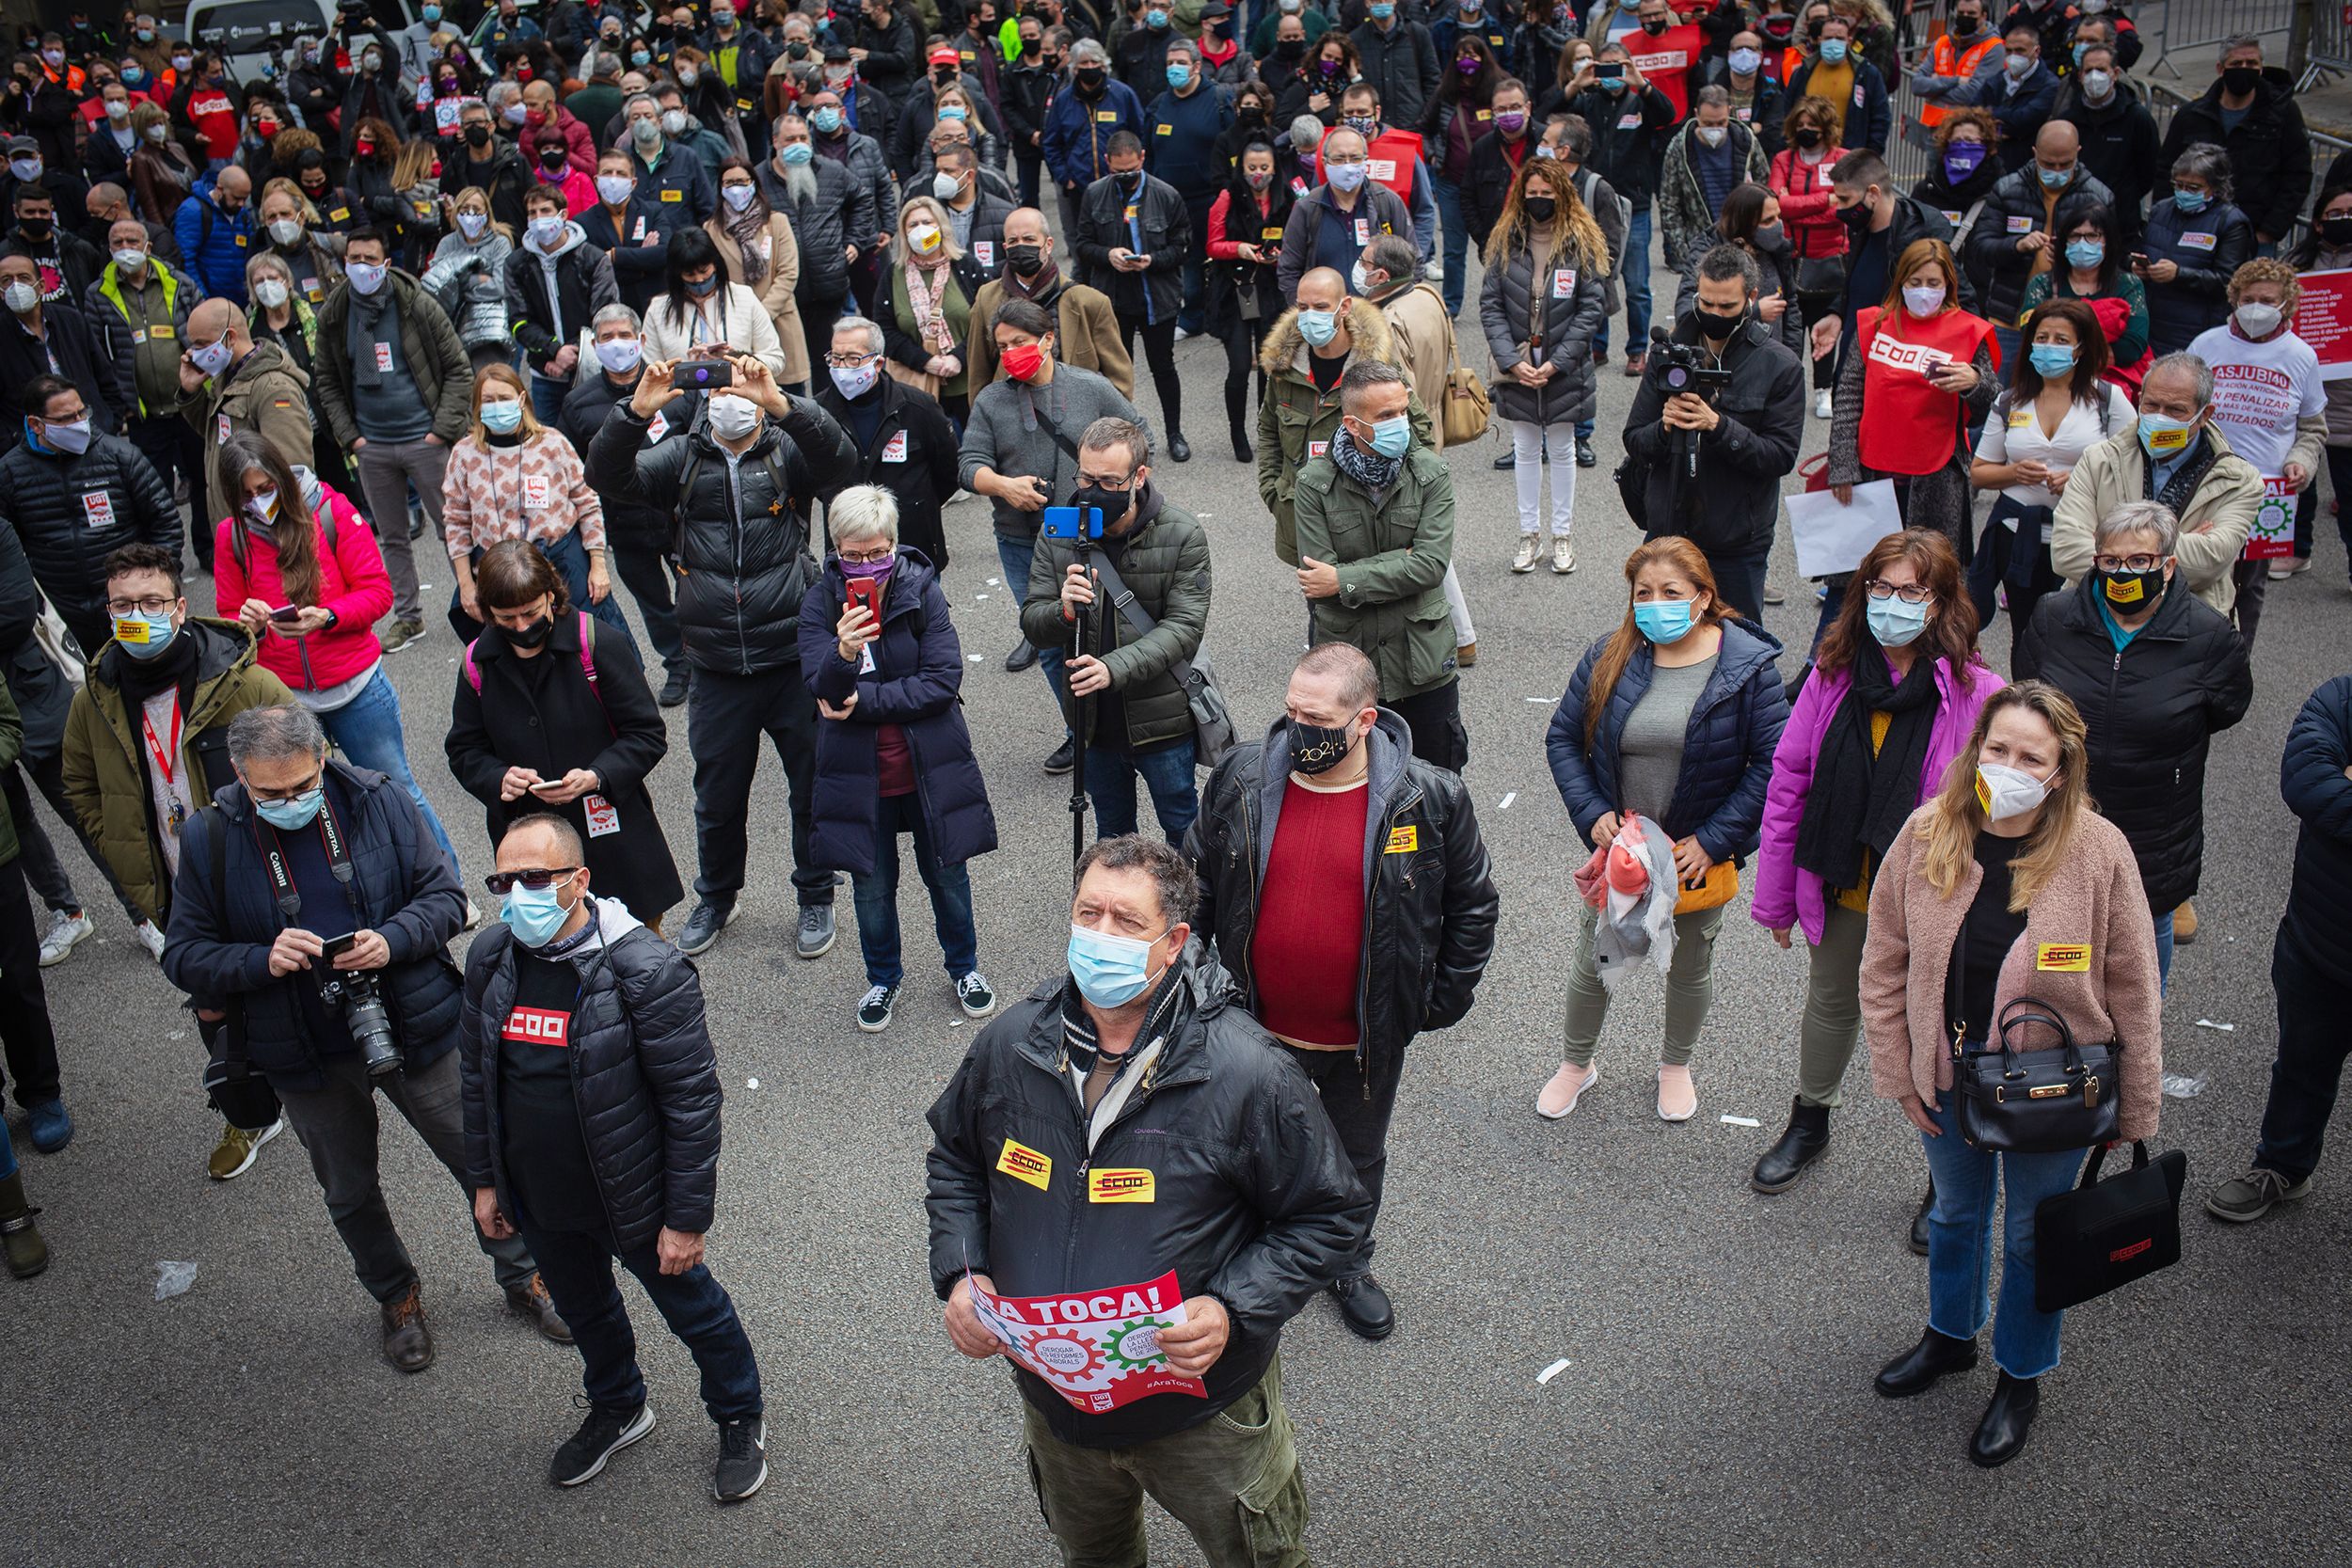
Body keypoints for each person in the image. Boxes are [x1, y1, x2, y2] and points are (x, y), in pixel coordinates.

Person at [925, 833, 1371, 1568]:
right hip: (1057, 1403)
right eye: (1087, 912)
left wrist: (1231, 1306)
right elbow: (956, 1161)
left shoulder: (1247, 1073)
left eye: (1126, 922)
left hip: (1202, 1409)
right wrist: (961, 1273)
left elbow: (1331, 1213)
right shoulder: (1009, 1046)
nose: (1100, 935)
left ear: (1174, 943)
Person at [159, 703, 569, 1370]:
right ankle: (396, 1295)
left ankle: (526, 1274)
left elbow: (444, 897)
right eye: (271, 793)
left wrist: (391, 940)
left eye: (302, 786)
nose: (290, 802)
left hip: (413, 1018)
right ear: (238, 774)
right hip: (302, 1048)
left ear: (323, 757)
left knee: (480, 1158)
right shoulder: (209, 836)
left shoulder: (377, 799)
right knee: (349, 1188)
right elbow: (183, 954)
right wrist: (260, 958)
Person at [1859, 680, 2161, 1469]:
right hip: (1949, 1076)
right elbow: (1884, 957)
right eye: (1998, 748)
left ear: (2061, 771)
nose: (2011, 765)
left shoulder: (2099, 851)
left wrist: (2139, 1108)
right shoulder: (1930, 832)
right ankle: (1951, 1336)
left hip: (2055, 1091)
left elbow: (2133, 982)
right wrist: (1898, 1070)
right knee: (1957, 1216)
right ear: (1976, 749)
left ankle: (2021, 1374)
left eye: (2033, 755)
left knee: (2033, 1234)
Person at [1184, 641, 1495, 1339]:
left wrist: (1438, 1000)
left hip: (1364, 1036)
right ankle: (1253, 1253)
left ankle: (1347, 1261)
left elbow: (1474, 904)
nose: (1299, 729)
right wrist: (1200, 977)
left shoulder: (1431, 796)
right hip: (1254, 1028)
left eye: (1317, 717)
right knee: (1250, 1146)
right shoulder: (1239, 776)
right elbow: (1193, 883)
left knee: (1355, 1158)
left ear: (1364, 720)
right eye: (1291, 710)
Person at [457, 812, 762, 1499]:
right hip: (540, 1194)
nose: (517, 893)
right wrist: (486, 1181)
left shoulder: (645, 969)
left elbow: (692, 1101)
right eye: (504, 879)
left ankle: (740, 1413)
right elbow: (476, 1077)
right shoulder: (492, 955)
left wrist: (685, 1219)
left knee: (694, 1311)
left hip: (634, 1195)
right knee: (586, 1310)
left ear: (579, 879)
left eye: (536, 877)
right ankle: (619, 1404)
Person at [1750, 527, 1999, 1205]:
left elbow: (1993, 812)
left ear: (1942, 601)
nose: (1892, 602)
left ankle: (1945, 1176)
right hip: (1845, 878)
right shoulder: (1831, 674)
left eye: (1911, 590)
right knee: (1831, 1002)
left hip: (1934, 893)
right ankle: (1810, 1122)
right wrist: (1774, 896)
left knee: (1940, 1020)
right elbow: (1789, 783)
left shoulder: (1980, 692)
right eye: (1880, 588)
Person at [585, 351, 856, 961]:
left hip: (792, 655)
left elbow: (842, 459)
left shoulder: (786, 448)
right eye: (719, 384)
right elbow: (606, 477)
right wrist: (636, 409)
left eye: (741, 379)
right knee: (718, 795)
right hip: (713, 663)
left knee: (811, 786)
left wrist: (782, 401)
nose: (730, 395)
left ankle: (816, 892)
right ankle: (717, 895)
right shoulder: (683, 454)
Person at [60, 543, 300, 1173]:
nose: (137, 615)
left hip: (261, 879)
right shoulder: (96, 699)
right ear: (107, 613)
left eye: (151, 602)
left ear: (181, 607)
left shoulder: (242, 682)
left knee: (294, 983)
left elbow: (309, 758)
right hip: (177, 891)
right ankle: (249, 1116)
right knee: (214, 1005)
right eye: (123, 605)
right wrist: (119, 845)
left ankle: (321, 1086)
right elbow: (80, 784)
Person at [1538, 535, 1787, 1121]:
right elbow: (1562, 740)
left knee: (1687, 964)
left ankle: (1675, 1065)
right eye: (1643, 593)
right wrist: (1593, 814)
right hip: (1622, 852)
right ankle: (1578, 1064)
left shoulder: (1748, 669)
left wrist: (1713, 841)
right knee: (1596, 960)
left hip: (1692, 856)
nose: (1655, 604)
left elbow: (1772, 764)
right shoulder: (1611, 655)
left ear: (1702, 598)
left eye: (1670, 592)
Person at [212, 432, 464, 884]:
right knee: (309, 805)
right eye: (246, 495)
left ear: (282, 478)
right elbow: (229, 614)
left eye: (266, 489)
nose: (258, 501)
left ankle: (449, 886)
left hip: (356, 687)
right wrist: (244, 621)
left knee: (397, 790)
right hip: (287, 696)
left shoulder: (331, 512)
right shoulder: (231, 536)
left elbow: (378, 593)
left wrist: (327, 616)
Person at [797, 483, 998, 1032]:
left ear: (894, 544)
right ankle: (882, 978)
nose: (866, 565)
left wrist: (865, 702)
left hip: (929, 768)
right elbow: (821, 689)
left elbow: (942, 681)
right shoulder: (819, 602)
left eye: (877, 552)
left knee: (948, 878)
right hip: (859, 777)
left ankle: (965, 968)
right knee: (872, 887)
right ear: (835, 548)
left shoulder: (922, 590)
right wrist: (842, 652)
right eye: (852, 554)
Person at [2032, 498, 2249, 1000]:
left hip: (2155, 828)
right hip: (2061, 814)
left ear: (2168, 566)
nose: (2122, 572)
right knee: (2053, 942)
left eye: (2139, 562)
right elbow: (2034, 694)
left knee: (2143, 956)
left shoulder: (2210, 637)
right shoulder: (2054, 617)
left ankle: (2134, 1064)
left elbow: (2227, 708)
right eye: (2110, 561)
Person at [446, 541, 679, 932]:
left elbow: (647, 733)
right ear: (488, 614)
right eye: (507, 618)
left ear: (551, 596)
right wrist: (498, 778)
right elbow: (464, 749)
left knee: (639, 957)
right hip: (531, 851)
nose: (521, 627)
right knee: (551, 962)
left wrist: (598, 775)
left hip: (611, 835)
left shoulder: (597, 643)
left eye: (530, 613)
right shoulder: (476, 666)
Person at [960, 297, 1149, 768]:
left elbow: (1140, 435)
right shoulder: (991, 400)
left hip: (1094, 536)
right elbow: (968, 466)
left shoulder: (1090, 387)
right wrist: (1004, 486)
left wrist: (1117, 493)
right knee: (1049, 639)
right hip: (1022, 539)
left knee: (1108, 627)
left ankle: (1122, 721)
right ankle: (1079, 732)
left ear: (1047, 340)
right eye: (1001, 346)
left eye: (1019, 343)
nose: (1009, 353)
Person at [1019, 416, 1209, 841]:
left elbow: (1184, 628)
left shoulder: (1182, 534)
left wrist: (1112, 668)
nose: (1091, 492)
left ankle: (1191, 911)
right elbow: (1034, 622)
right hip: (1094, 722)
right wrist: (1063, 612)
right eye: (1085, 478)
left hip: (1162, 722)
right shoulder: (1059, 532)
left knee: (1182, 828)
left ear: (1139, 476)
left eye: (1108, 482)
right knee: (1113, 835)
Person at [2206, 674, 2352, 1223]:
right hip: (2318, 947)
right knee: (2301, 1068)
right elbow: (2308, 784)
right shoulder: (2340, 700)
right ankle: (2284, 1168)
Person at [1295, 359, 1465, 769]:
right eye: (1387, 416)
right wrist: (1398, 564)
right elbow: (1318, 581)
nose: (1400, 423)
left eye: (1403, 410)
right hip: (1351, 664)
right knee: (1352, 783)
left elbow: (1430, 566)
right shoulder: (1314, 484)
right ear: (1353, 424)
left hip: (1422, 664)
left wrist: (1345, 578)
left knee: (1438, 784)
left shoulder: (1431, 473)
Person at [313, 227, 476, 656]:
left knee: (454, 528)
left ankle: (479, 605)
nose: (360, 267)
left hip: (426, 440)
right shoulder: (335, 314)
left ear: (386, 263)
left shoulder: (416, 304)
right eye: (353, 259)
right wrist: (352, 438)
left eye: (370, 259)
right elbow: (326, 381)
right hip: (373, 447)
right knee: (392, 537)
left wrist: (440, 430)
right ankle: (408, 618)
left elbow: (459, 368)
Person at [1623, 245, 1806, 621]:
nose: (1714, 315)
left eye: (1726, 307)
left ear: (1751, 298)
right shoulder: (1668, 353)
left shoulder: (1780, 365)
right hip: (1668, 534)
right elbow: (1635, 439)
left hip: (1736, 543)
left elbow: (1779, 457)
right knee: (1656, 643)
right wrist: (1665, 427)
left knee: (1738, 651)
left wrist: (1718, 426)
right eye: (1706, 304)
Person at [1965, 298, 2130, 677]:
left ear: (2081, 347)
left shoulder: (2108, 400)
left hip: (2083, 538)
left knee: (2080, 631)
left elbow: (2131, 468)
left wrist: (2082, 477)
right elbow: (1980, 472)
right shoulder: (2010, 401)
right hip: (2017, 534)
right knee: (2025, 631)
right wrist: (2014, 473)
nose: (2049, 346)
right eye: (2042, 338)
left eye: (2061, 339)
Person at [1825, 238, 1996, 580]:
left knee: (1929, 580)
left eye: (1933, 283)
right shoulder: (1873, 325)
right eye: (1914, 283)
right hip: (1871, 471)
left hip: (1937, 476)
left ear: (1948, 283)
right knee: (1860, 579)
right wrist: (1842, 466)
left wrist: (1974, 382)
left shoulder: (1970, 331)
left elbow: (1987, 401)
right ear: (1900, 282)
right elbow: (1847, 395)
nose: (1923, 291)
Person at [2052, 353, 2262, 621]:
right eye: (2151, 405)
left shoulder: (2240, 480)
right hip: (2097, 619)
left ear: (2204, 415)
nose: (2159, 417)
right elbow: (2064, 552)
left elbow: (2208, 563)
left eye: (2175, 410)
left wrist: (2109, 548)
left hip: (2189, 628)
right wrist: (2169, 550)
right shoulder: (2099, 459)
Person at [441, 364, 630, 657]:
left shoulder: (552, 443)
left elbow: (588, 502)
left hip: (561, 563)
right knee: (514, 657)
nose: (496, 406)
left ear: (521, 399)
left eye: (503, 398)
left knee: (593, 647)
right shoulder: (464, 455)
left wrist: (598, 565)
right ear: (477, 407)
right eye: (487, 401)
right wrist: (466, 584)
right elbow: (456, 521)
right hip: (497, 572)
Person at [556, 305, 691, 707]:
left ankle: (703, 662)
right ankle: (678, 664)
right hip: (624, 525)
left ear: (641, 340)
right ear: (594, 347)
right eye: (607, 338)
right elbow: (573, 470)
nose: (617, 344)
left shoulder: (676, 389)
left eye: (624, 335)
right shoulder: (579, 404)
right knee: (654, 604)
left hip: (680, 518)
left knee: (694, 594)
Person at [2187, 259, 2326, 649]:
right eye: (2248, 298)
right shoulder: (2207, 345)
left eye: (2267, 300)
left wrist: (2303, 460)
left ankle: (2236, 662)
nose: (2256, 307)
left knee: (2250, 586)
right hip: (2206, 481)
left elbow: (2313, 429)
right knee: (2199, 573)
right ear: (2234, 299)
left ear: (2287, 304)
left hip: (2269, 492)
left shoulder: (2301, 356)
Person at [1478, 156, 1606, 577]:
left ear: (1562, 196)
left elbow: (1591, 309)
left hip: (1563, 366)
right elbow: (1491, 306)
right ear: (1521, 196)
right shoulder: (1504, 243)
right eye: (1531, 194)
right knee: (1526, 450)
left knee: (1564, 449)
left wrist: (1556, 363)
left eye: (1546, 195)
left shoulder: (1581, 244)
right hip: (1518, 364)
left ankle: (1562, 536)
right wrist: (1512, 362)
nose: (1538, 201)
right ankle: (1528, 534)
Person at [1257, 266, 1431, 574]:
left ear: (1344, 307)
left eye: (1321, 307)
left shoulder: (1375, 368)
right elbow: (1269, 431)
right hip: (1305, 521)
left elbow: (1420, 436)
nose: (1310, 316)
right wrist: (1273, 492)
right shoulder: (1285, 370)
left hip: (1367, 528)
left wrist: (1406, 510)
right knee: (1320, 610)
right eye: (1303, 307)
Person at [0, 374, 176, 656]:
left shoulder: (121, 457)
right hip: (64, 616)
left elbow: (165, 521)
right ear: (36, 424)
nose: (80, 422)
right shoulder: (10, 475)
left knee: (146, 673)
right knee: (88, 689)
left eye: (82, 412)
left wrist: (155, 585)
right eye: (66, 418)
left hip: (130, 608)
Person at [85, 214, 203, 548]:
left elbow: (200, 333)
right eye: (118, 243)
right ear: (108, 249)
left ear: (148, 247)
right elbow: (97, 351)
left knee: (202, 480)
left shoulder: (179, 283)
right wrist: (117, 405)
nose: (125, 249)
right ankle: (165, 556)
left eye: (132, 242)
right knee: (154, 489)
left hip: (188, 404)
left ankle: (207, 548)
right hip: (143, 412)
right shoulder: (98, 294)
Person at [1562, 42, 1676, 373]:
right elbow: (1547, 120)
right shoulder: (1588, 102)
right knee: (1595, 278)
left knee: (1637, 285)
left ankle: (1638, 348)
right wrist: (1575, 86)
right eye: (1605, 66)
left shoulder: (1641, 101)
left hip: (1634, 203)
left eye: (1618, 66)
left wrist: (1641, 82)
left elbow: (1668, 116)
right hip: (1593, 201)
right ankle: (1598, 346)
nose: (1612, 73)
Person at [817, 315, 962, 572]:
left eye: (853, 358)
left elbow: (948, 473)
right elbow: (813, 476)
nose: (842, 367)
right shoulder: (818, 413)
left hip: (913, 548)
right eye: (836, 358)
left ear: (878, 362)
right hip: (848, 551)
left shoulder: (918, 408)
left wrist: (915, 504)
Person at [1077, 132, 1191, 459]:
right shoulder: (1094, 194)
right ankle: (1118, 442)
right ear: (1108, 164)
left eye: (1131, 170)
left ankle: (1175, 434)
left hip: (1158, 297)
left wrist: (1152, 261)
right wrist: (1108, 254)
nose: (1126, 177)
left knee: (1163, 367)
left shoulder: (1166, 195)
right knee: (1114, 374)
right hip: (1113, 301)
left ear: (1142, 158)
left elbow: (1183, 246)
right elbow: (1082, 244)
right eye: (1119, 172)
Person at [173, 295, 314, 556]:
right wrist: (190, 392)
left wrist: (277, 541)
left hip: (265, 539)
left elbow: (291, 470)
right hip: (238, 533)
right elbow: (213, 435)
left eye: (201, 344)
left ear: (230, 337)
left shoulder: (273, 388)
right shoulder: (228, 377)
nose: (192, 353)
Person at [1963, 122, 2108, 368]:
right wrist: (2017, 245)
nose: (2057, 170)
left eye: (2065, 164)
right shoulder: (2007, 190)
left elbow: (2111, 257)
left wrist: (2072, 255)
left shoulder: (2099, 197)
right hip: (2009, 317)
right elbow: (1980, 248)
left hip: (2067, 325)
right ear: (2035, 152)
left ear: (2078, 152)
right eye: (2049, 164)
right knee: (1999, 393)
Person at [2157, 35, 2310, 253]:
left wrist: (2269, 231)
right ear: (2221, 68)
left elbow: (2297, 175)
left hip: (2254, 237)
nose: (2244, 69)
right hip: (2194, 233)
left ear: (2261, 68)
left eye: (2252, 64)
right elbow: (2165, 170)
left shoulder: (2283, 115)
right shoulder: (2192, 115)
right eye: (2237, 64)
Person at [758, 114, 869, 381]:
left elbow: (862, 200)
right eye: (790, 139)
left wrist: (854, 240)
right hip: (783, 292)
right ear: (775, 141)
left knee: (828, 363)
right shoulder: (760, 179)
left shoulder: (831, 170)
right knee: (786, 369)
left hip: (827, 284)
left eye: (802, 138)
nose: (798, 144)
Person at [2283, 186, 2352, 582]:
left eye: (2350, 212)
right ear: (2319, 221)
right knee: (2299, 477)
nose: (2343, 219)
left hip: (2347, 396)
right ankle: (2296, 550)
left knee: (2348, 487)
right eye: (2335, 213)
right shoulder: (2296, 263)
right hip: (2302, 384)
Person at [509, 181, 619, 424]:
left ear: (563, 214)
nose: (539, 218)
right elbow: (518, 322)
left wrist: (572, 353)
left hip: (590, 371)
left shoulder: (592, 258)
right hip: (544, 372)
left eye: (545, 211)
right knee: (548, 447)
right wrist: (554, 351)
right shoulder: (516, 264)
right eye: (532, 213)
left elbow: (605, 314)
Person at [1204, 145, 1288, 461]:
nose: (1258, 173)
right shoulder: (1228, 197)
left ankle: (1267, 430)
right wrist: (1238, 248)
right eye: (1252, 167)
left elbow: (1295, 240)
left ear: (1273, 168)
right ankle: (1237, 431)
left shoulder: (1286, 197)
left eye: (1264, 166)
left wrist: (1279, 255)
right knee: (1239, 367)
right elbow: (1212, 244)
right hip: (1235, 288)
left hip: (1270, 290)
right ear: (1242, 169)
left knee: (1269, 368)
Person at [2015, 199, 2149, 394]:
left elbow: (2132, 347)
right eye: (2075, 236)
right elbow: (2030, 333)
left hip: (2110, 388)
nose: (2082, 243)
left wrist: (2065, 352)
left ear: (2108, 241)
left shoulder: (2129, 284)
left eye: (2092, 236)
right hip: (2049, 383)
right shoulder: (2042, 284)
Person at [1275, 124, 1414, 304]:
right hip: (1327, 319)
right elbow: (1288, 270)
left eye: (1355, 158)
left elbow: (1412, 263)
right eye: (1339, 159)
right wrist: (1307, 314)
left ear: (1366, 160)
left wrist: (1398, 310)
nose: (1348, 166)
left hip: (1380, 317)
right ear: (1325, 162)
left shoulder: (1387, 202)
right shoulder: (1307, 208)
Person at [2135, 145, 2253, 357]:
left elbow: (2229, 280)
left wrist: (2179, 274)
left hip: (2197, 327)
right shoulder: (2161, 210)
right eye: (2178, 185)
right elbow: (2142, 248)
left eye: (2193, 188)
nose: (2183, 192)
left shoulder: (2231, 222)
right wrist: (2136, 266)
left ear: (2215, 188)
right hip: (2153, 321)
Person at [1769, 95, 1846, 418]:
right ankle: (1786, 392)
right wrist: (1822, 201)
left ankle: (1823, 390)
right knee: (1789, 331)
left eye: (1812, 126)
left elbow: (1841, 210)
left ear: (1826, 128)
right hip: (1789, 258)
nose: (1806, 130)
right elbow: (1776, 206)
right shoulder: (1783, 160)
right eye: (1800, 125)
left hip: (1830, 260)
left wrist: (1796, 207)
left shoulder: (1843, 160)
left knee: (1823, 329)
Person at [708, 156, 809, 391]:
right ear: (721, 187)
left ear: (753, 183)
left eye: (742, 181)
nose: (736, 188)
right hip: (736, 326)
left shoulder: (776, 222)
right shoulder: (712, 230)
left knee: (789, 400)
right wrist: (745, 318)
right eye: (730, 182)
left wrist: (760, 315)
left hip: (780, 318)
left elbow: (788, 273)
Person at [0, 249, 121, 441]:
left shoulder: (71, 320)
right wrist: (17, 442)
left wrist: (110, 422)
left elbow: (105, 377)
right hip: (36, 449)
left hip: (94, 434)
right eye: (6, 280)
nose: (15, 285)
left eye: (23, 277)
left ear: (41, 286)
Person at [640, 225, 787, 379]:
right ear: (677, 274)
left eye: (704, 271)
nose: (699, 279)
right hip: (682, 399)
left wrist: (737, 361)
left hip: (741, 397)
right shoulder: (659, 309)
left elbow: (776, 359)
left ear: (715, 264)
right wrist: (683, 370)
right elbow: (650, 370)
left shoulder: (743, 297)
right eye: (689, 274)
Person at [1659, 87, 1772, 279]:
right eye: (1708, 123)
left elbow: (1764, 187)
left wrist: (1757, 239)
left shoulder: (1746, 141)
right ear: (1696, 115)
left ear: (1730, 111)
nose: (1715, 128)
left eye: (1721, 122)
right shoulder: (1679, 147)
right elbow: (1669, 205)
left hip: (1742, 241)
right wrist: (1685, 254)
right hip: (1700, 244)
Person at [2053, 42, 2157, 247]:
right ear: (2080, 75)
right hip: (2076, 221)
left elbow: (2149, 170)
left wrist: (2125, 195)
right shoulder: (2068, 120)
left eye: (2101, 70)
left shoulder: (2137, 118)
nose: (2094, 76)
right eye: (2088, 70)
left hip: (2121, 222)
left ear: (2115, 73)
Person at [1042, 40, 1148, 241]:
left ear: (1103, 65)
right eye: (1084, 63)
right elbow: (1051, 143)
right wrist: (1065, 178)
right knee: (1084, 239)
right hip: (1080, 188)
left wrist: (1136, 173)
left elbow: (1140, 134)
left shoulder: (1123, 95)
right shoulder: (1064, 100)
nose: (1090, 67)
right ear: (1074, 68)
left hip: (1121, 183)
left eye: (1094, 62)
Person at [1784, 12, 1891, 156]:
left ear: (1849, 40)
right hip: (1807, 154)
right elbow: (1788, 111)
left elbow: (1880, 117)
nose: (1833, 42)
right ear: (1820, 40)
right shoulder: (1803, 72)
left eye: (1839, 38)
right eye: (1828, 38)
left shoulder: (1867, 74)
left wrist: (1870, 155)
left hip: (1851, 158)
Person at [1354, 0, 1442, 143]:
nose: (1382, 3)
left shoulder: (1417, 33)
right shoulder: (1356, 39)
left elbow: (1432, 79)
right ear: (1367, 2)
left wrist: (1424, 119)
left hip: (1413, 128)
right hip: (1374, 133)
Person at [171, 164, 253, 305]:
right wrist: (203, 298)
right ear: (219, 189)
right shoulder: (193, 210)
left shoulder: (242, 215)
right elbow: (186, 260)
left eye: (245, 199)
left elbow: (250, 253)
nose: (241, 204)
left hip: (240, 298)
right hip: (209, 299)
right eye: (236, 198)